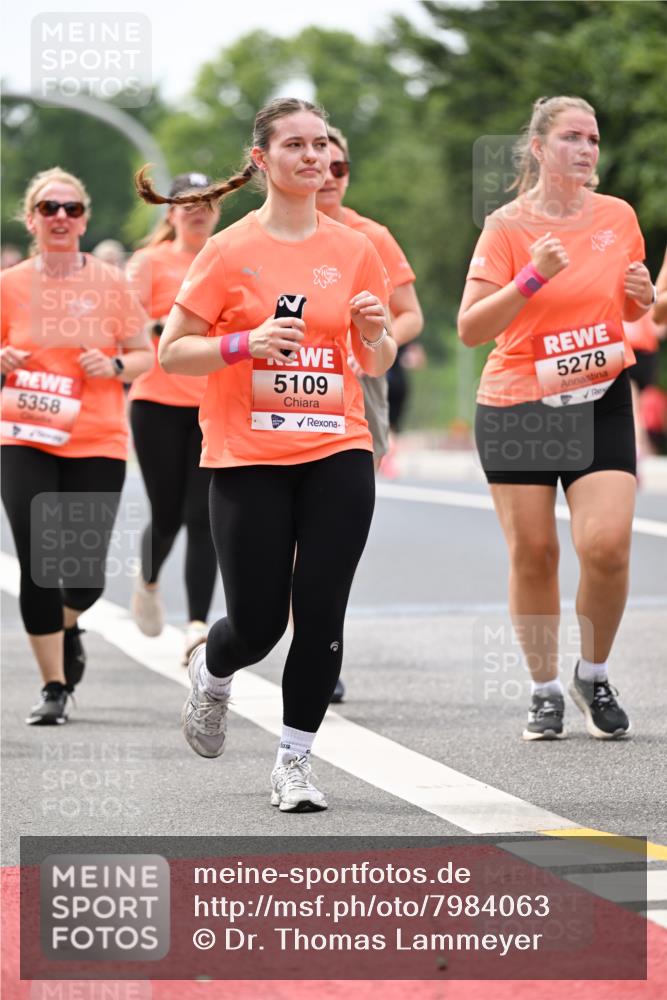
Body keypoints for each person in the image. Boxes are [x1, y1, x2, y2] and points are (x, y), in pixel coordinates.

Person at [135, 97, 395, 812]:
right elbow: (173, 352)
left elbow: (376, 359)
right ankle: (213, 670)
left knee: (320, 611)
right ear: (261, 160)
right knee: (258, 624)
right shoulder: (229, 250)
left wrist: (374, 333)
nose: (313, 158)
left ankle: (294, 763)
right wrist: (242, 343)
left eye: (321, 146)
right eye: (296, 146)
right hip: (247, 456)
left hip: (336, 446)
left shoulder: (354, 248)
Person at [458, 96, 655, 741]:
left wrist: (644, 301)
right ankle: (544, 690)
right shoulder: (508, 227)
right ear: (539, 148)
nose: (587, 149)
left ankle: (592, 672)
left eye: (593, 138)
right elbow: (471, 328)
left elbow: (630, 318)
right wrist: (531, 279)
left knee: (606, 546)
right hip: (520, 403)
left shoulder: (619, 217)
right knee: (536, 553)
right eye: (572, 136)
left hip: (600, 394)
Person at [1, 167, 152, 725]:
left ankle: (69, 626)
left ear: (84, 219)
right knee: (40, 563)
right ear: (31, 219)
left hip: (95, 437)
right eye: (48, 208)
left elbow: (144, 354)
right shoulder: (10, 285)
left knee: (83, 576)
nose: (60, 217)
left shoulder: (111, 283)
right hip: (24, 436)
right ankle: (53, 687)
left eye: (70, 208)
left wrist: (113, 365)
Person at [315, 124, 423, 699]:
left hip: (358, 393)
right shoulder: (266, 237)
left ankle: (321, 648)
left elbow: (411, 315)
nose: (329, 177)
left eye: (340, 168)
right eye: (320, 165)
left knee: (333, 529)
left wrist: (373, 342)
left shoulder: (370, 236)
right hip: (282, 404)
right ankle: (305, 638)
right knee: (288, 536)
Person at [126, 173, 220, 663]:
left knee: (202, 518)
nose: (196, 209)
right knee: (166, 514)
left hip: (212, 404)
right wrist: (158, 326)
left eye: (205, 201)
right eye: (186, 202)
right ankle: (147, 581)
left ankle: (198, 627)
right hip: (157, 402)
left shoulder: (227, 257)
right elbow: (119, 321)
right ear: (170, 212)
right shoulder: (149, 263)